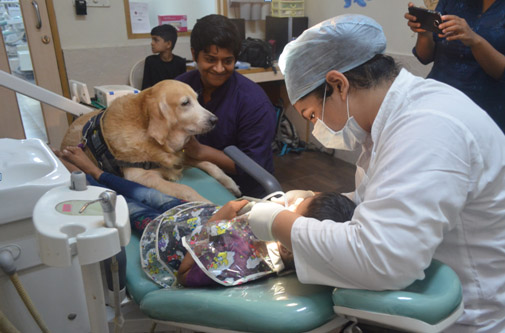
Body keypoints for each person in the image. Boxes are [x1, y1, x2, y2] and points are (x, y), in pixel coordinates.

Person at [232, 14, 505, 332]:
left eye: (312, 114)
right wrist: (318, 198)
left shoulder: (429, 127)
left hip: (464, 316)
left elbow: (381, 260)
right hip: (429, 284)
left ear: (338, 84)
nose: (314, 126)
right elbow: (393, 197)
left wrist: (274, 221)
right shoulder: (395, 119)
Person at [176, 14, 277, 198]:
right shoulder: (181, 88)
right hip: (196, 178)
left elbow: (254, 166)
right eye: (211, 59)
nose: (219, 68)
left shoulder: (254, 103)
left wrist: (199, 151)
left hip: (245, 191)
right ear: (194, 54)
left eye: (228, 61)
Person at [176, 191, 356, 287]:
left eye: (291, 210)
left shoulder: (239, 259)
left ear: (287, 248)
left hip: (170, 232)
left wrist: (218, 219)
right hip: (193, 211)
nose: (288, 205)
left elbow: (184, 275)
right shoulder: (306, 248)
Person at [405, 0, 505, 131]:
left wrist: (475, 41)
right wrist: (424, 33)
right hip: (437, 104)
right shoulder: (451, 2)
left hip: (484, 114)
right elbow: (425, 57)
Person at [141, 24, 187, 90]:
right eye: (152, 39)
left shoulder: (180, 62)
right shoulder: (150, 61)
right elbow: (145, 88)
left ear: (168, 44)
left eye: (156, 40)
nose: (152, 43)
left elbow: (183, 88)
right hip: (155, 98)